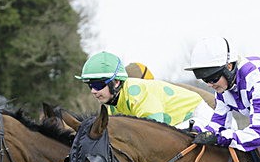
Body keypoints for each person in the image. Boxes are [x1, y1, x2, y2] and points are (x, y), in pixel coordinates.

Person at [76, 51, 216, 129]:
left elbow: (156, 131)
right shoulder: (113, 105)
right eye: (90, 86)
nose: (93, 91)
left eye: (98, 85)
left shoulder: (138, 94)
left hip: (199, 116)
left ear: (116, 82)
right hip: (176, 123)